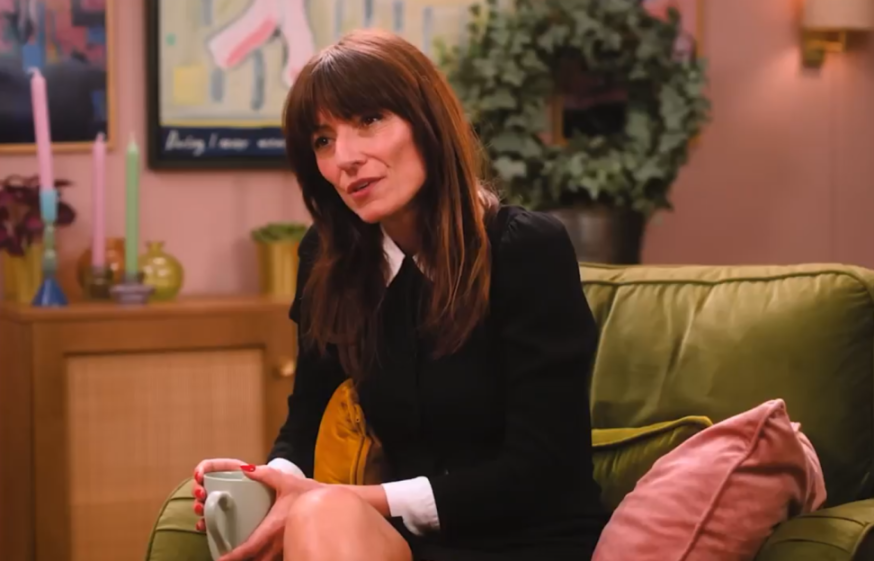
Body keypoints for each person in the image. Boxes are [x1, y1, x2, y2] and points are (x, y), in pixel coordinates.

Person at [190, 29, 608, 561]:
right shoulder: (329, 258)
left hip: (530, 539)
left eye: (369, 120)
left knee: (323, 511)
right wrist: (267, 482)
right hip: (398, 539)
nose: (345, 157)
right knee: (319, 513)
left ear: (428, 123)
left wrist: (346, 498)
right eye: (323, 140)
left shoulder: (526, 249)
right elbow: (307, 418)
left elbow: (540, 467)